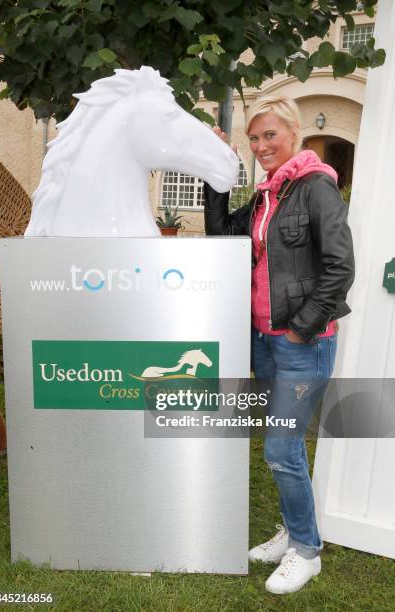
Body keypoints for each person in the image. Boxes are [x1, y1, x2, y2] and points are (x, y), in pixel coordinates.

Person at [204, 95, 355, 594]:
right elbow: (224, 236)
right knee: (280, 450)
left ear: (294, 133)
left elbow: (340, 269)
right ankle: (293, 531)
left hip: (300, 343)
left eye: (270, 134)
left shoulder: (315, 189)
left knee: (282, 447)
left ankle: (307, 551)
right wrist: (215, 176)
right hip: (265, 341)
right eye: (253, 137)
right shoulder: (270, 195)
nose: (261, 144)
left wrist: (299, 329)